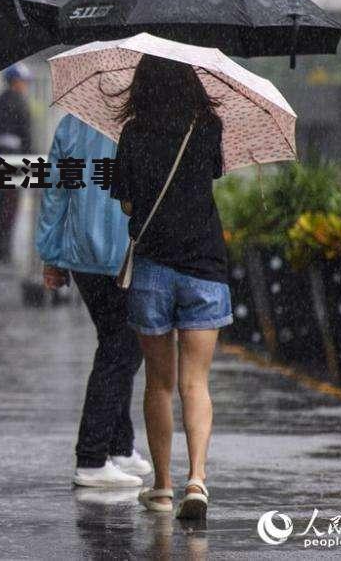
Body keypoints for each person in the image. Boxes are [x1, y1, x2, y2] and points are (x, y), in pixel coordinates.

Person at [109, 54, 232, 520]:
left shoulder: (134, 132)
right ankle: (196, 480)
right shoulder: (207, 126)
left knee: (159, 383)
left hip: (154, 268)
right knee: (195, 382)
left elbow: (125, 202)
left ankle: (162, 486)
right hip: (204, 265)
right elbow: (212, 177)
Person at [36, 113, 153, 489]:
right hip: (128, 251)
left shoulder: (75, 120)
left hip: (83, 252)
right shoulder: (142, 120)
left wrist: (52, 253)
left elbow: (56, 189)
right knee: (123, 349)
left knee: (115, 343)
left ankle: (120, 446)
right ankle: (91, 457)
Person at [0, 62, 33, 263]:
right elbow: (28, 138)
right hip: (14, 161)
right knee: (10, 207)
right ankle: (6, 249)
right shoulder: (21, 105)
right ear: (16, 82)